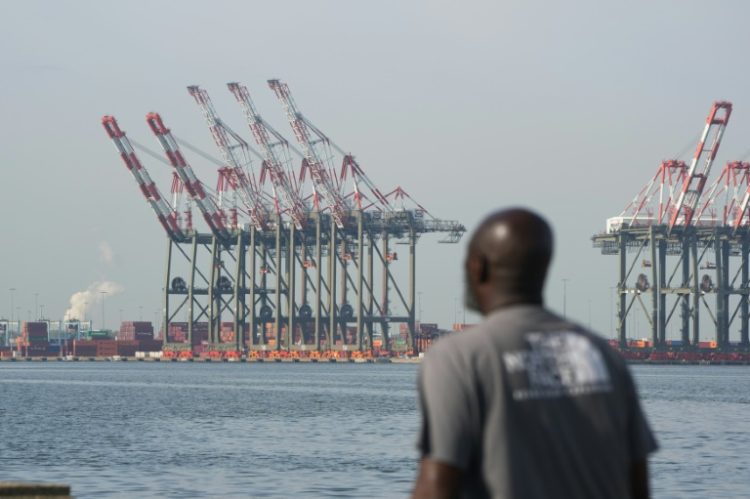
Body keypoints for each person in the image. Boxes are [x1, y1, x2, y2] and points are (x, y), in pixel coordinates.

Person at [412, 208, 657, 499]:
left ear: (478, 268)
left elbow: (438, 486)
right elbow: (638, 484)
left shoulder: (459, 357)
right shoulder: (602, 355)